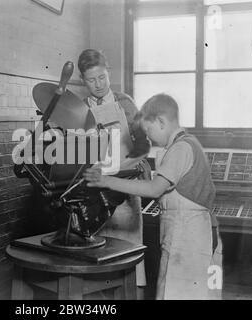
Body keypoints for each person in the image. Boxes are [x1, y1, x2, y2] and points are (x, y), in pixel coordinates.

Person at [84, 93, 223, 300]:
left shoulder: (181, 148)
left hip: (188, 236)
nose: (148, 137)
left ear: (161, 122)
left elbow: (154, 189)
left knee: (178, 293)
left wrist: (106, 181)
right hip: (187, 234)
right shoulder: (188, 144)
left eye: (148, 130)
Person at [78, 49, 151, 299]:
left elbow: (145, 145)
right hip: (95, 193)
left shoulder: (125, 103)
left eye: (102, 78)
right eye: (91, 80)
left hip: (125, 187)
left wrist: (130, 166)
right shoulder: (79, 109)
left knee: (130, 259)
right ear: (82, 80)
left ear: (108, 73)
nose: (98, 85)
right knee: (98, 261)